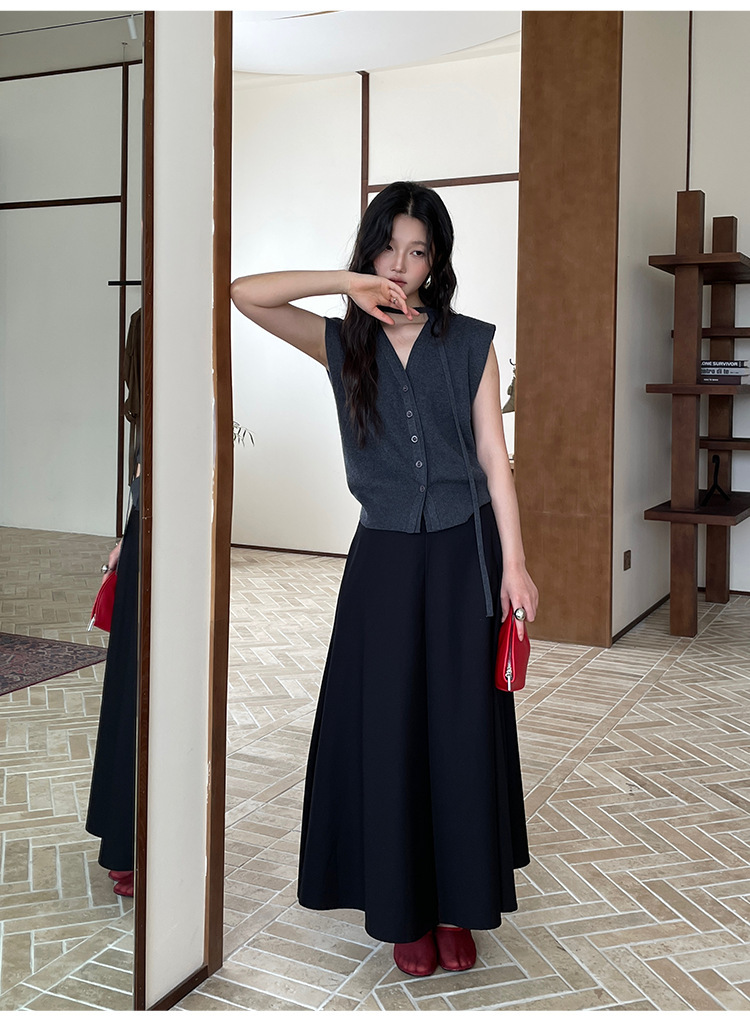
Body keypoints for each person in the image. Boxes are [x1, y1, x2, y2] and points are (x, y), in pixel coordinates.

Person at [230, 181, 538, 977]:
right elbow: (246, 294)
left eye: (418, 251)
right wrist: (347, 285)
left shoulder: (470, 342)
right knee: (391, 727)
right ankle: (403, 908)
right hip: (384, 561)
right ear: (370, 250)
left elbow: (494, 458)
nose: (401, 264)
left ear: (437, 263)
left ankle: (458, 904)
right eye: (388, 247)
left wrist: (515, 563)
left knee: (460, 729)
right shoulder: (342, 343)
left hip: (465, 553)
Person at [85, 465, 140, 899]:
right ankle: (130, 846)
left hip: (160, 548)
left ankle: (130, 846)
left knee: (139, 694)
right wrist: (124, 542)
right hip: (147, 549)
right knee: (135, 694)